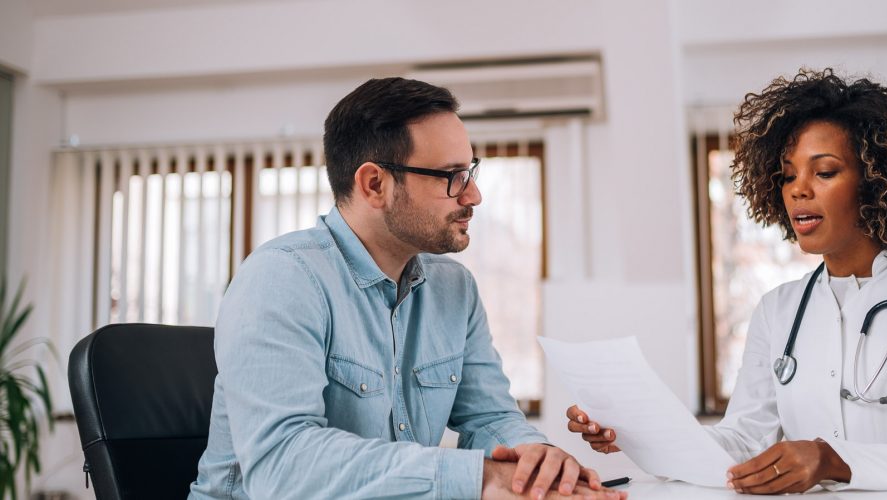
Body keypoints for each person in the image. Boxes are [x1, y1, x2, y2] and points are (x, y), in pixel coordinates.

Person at [565, 68, 887, 494]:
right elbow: (741, 441)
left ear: (877, 182)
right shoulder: (778, 310)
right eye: (788, 174)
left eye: (825, 171)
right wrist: (639, 434)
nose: (798, 189)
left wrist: (833, 461)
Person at [190, 78, 624, 500]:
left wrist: (537, 461)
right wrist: (482, 479)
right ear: (374, 184)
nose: (473, 195)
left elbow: (489, 417)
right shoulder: (281, 280)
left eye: (469, 171)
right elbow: (282, 467)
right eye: (451, 176)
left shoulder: (455, 289)